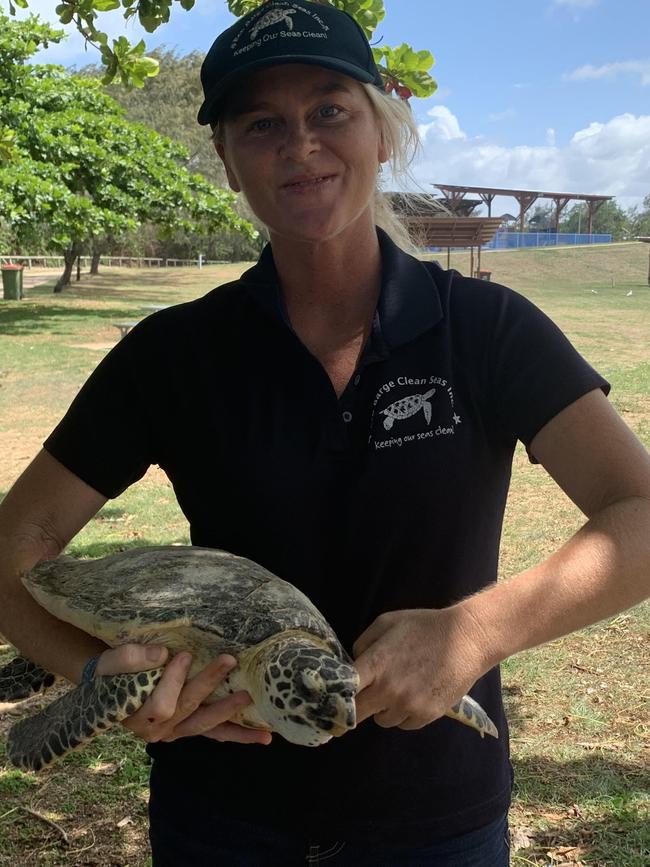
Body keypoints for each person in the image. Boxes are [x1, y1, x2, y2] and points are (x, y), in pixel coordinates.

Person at [1, 1, 649, 864]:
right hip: (221, 819)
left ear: (382, 132)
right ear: (229, 163)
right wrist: (94, 673)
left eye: (329, 110)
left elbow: (639, 511)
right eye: (261, 123)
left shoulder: (488, 330)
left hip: (438, 823)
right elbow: (18, 546)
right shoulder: (176, 354)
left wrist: (477, 632)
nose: (300, 145)